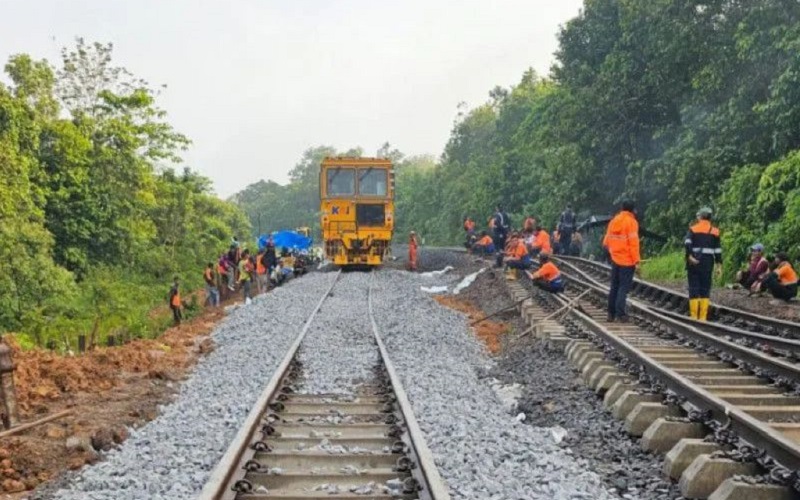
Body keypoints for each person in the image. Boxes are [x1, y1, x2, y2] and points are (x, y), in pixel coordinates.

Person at [603, 200, 640, 323]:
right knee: (623, 288)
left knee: (614, 286)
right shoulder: (632, 222)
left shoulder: (614, 221)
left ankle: (610, 314)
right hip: (627, 261)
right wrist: (636, 261)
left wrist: (612, 253)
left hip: (615, 259)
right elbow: (633, 244)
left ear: (622, 208)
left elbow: (606, 242)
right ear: (632, 210)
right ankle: (621, 314)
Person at [685, 207, 722, 321]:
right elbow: (718, 250)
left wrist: (690, 256)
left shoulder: (693, 229)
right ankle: (702, 318)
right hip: (708, 263)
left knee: (694, 288)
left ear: (700, 217)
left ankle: (694, 317)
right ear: (710, 218)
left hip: (694, 263)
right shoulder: (715, 231)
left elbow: (687, 242)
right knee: (705, 289)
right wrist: (719, 265)